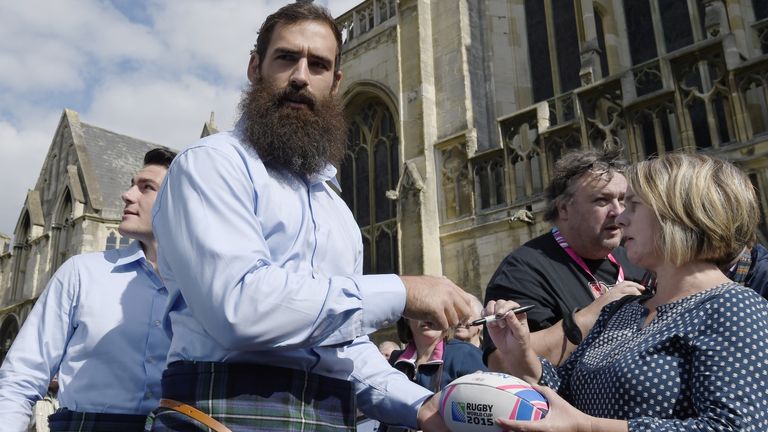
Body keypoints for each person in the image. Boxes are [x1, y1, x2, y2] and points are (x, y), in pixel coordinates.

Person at [148, 3, 472, 431]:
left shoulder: (334, 207)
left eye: (318, 65)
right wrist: (401, 290)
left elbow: (346, 351)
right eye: (286, 58)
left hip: (327, 417)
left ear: (335, 83)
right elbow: (241, 308)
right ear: (254, 67)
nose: (301, 76)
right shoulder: (211, 164)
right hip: (221, 411)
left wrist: (424, 406)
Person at [486, 153, 768, 431]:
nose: (621, 219)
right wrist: (522, 358)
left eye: (632, 205)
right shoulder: (624, 309)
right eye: (605, 201)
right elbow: (567, 392)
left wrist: (590, 428)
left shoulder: (734, 306)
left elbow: (734, 427)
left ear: (678, 215)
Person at [0, 148, 176, 431]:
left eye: (147, 187)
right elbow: (21, 376)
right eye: (132, 184)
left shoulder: (205, 288)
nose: (128, 194)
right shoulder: (81, 273)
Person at [483, 148, 648, 369]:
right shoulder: (522, 269)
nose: (617, 212)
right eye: (602, 200)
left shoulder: (635, 256)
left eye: (622, 200)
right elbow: (502, 362)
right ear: (564, 209)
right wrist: (594, 314)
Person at [389, 317, 486, 392]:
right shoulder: (395, 362)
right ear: (406, 318)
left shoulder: (466, 354)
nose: (428, 316)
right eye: (419, 309)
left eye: (435, 309)